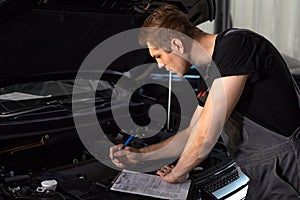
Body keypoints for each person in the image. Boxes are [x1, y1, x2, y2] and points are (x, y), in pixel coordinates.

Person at [110, 4, 300, 199]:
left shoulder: (237, 46)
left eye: (158, 56)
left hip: (287, 167)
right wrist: (140, 156)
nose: (159, 64)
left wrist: (178, 173)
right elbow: (190, 133)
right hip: (262, 171)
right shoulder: (209, 73)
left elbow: (206, 134)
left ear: (176, 44)